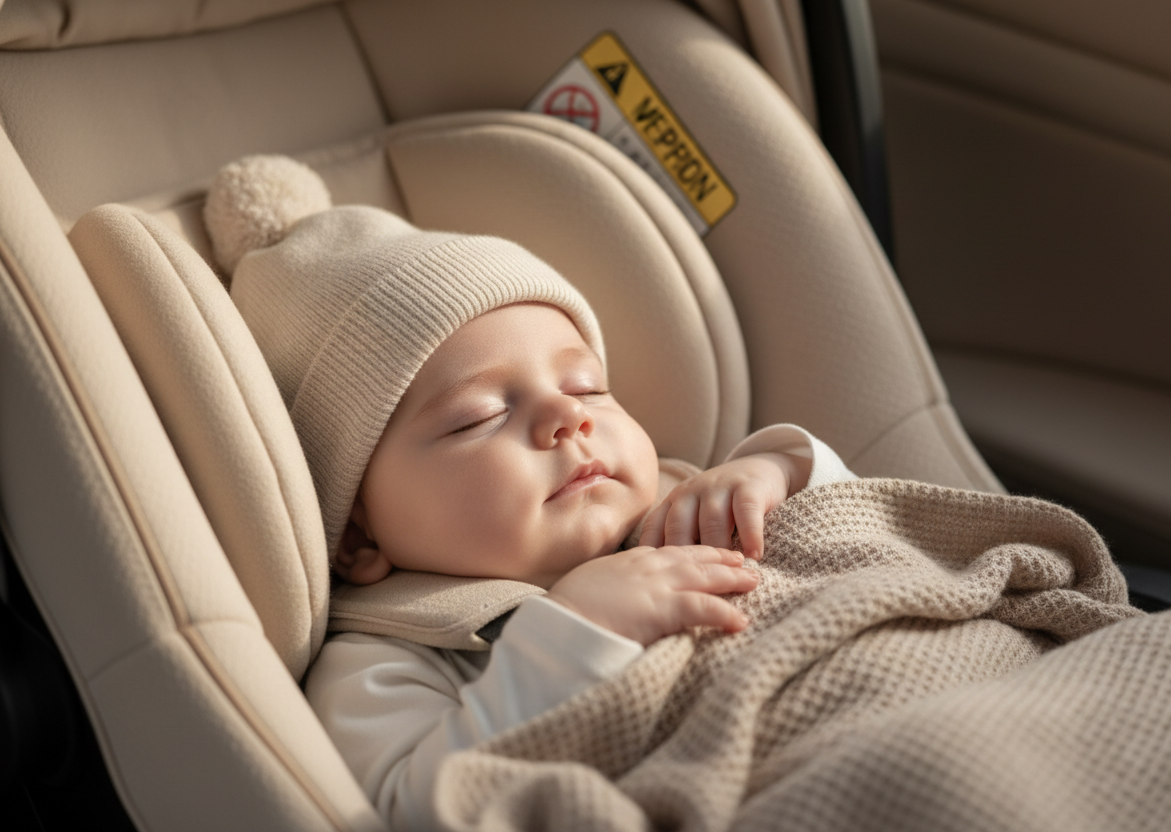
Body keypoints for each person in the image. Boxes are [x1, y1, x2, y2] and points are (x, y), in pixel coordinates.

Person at [204, 154, 856, 829]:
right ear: (357, 537)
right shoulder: (388, 658)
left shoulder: (697, 507)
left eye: (587, 387)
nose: (567, 416)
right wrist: (571, 637)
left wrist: (784, 473)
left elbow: (869, 546)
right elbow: (411, 809)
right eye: (480, 416)